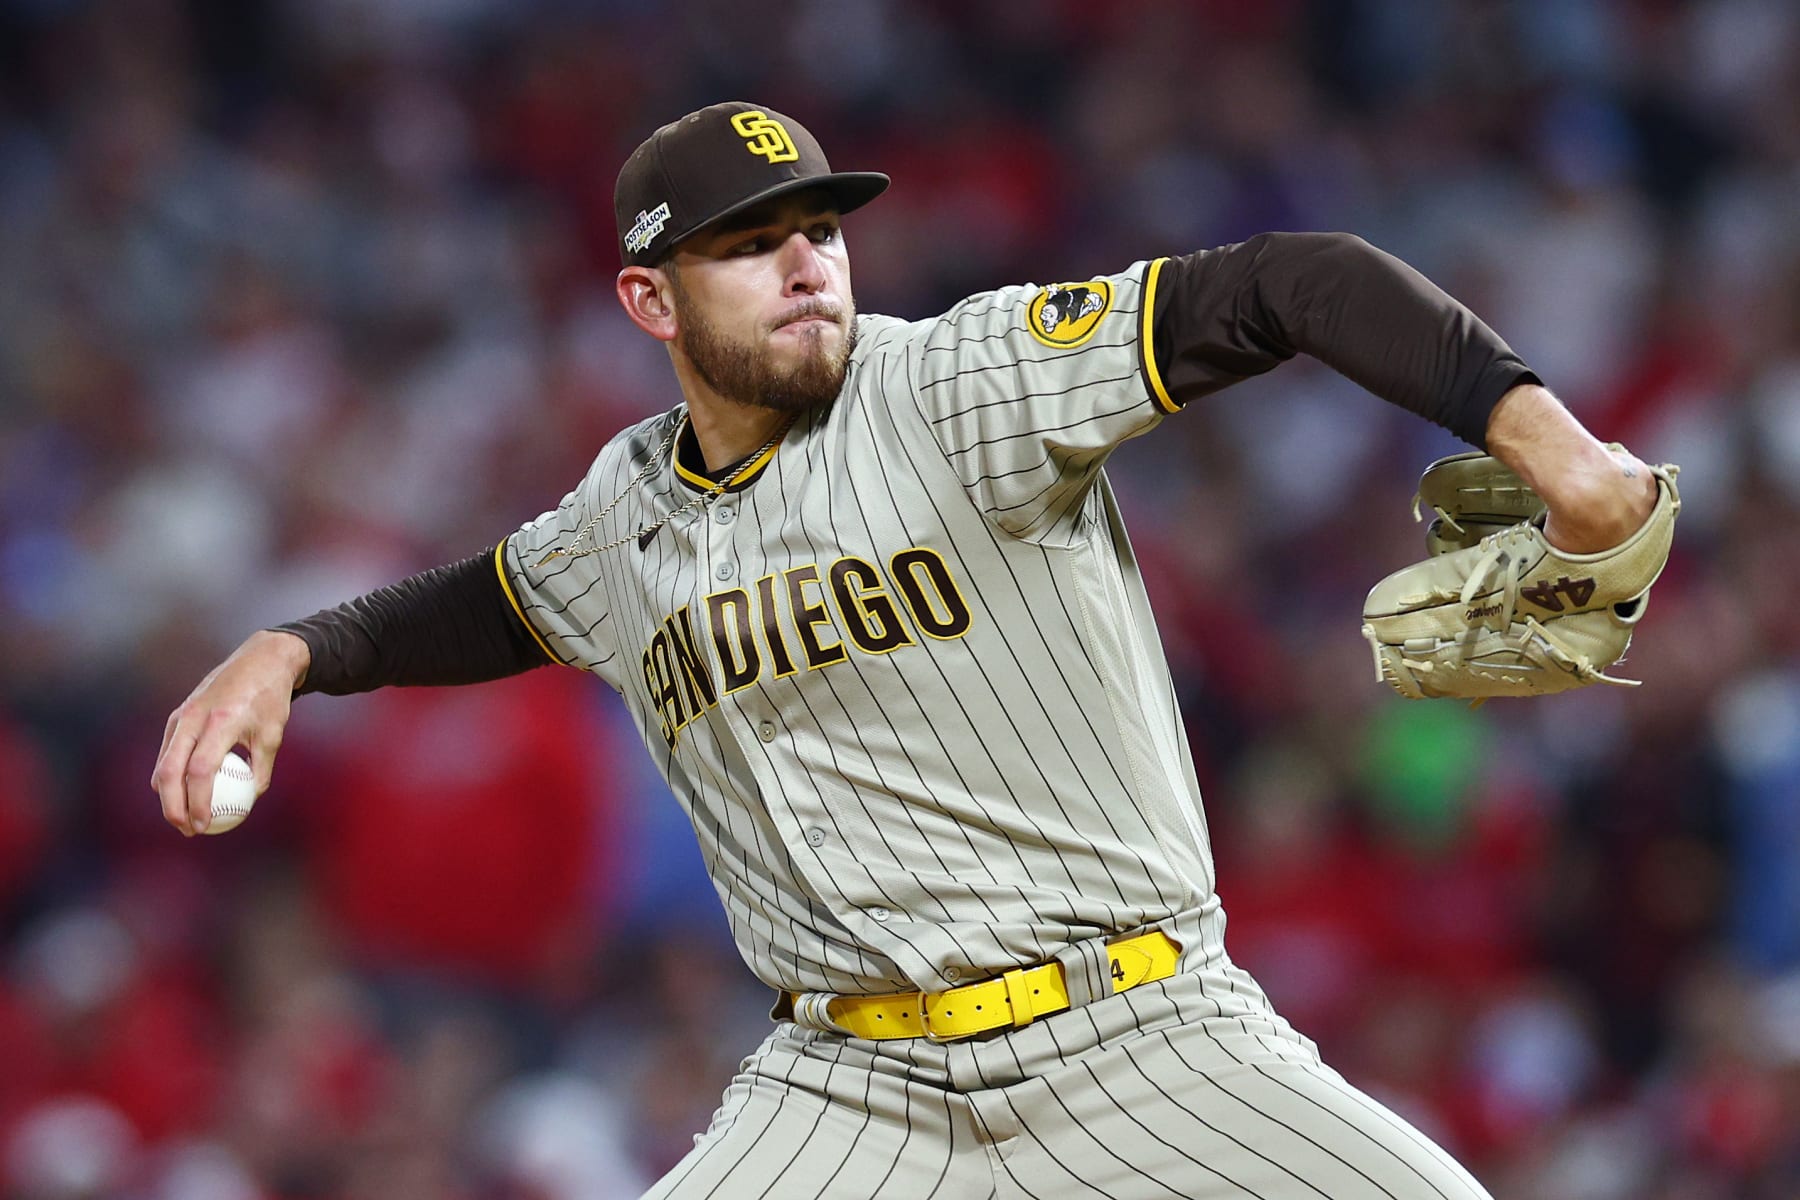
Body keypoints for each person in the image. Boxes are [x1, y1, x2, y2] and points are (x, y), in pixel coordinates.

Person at [153, 102, 1657, 1198]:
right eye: (752, 245)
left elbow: (1295, 283)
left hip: (1138, 1034)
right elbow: (488, 601)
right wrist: (290, 651)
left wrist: (1557, 452)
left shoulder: (956, 381)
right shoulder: (623, 509)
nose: (807, 262)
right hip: (850, 1086)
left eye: (818, 227)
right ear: (648, 300)